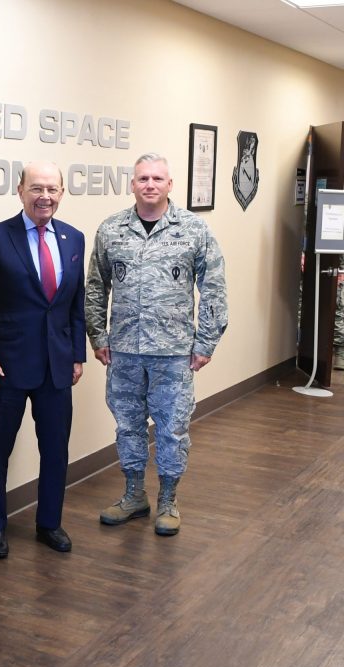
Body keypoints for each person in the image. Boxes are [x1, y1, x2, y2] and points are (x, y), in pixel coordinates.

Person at [86, 152, 228, 536]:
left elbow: (213, 288)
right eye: (142, 178)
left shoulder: (194, 230)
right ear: (132, 184)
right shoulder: (111, 229)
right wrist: (97, 335)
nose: (150, 185)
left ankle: (168, 499)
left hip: (173, 352)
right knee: (128, 426)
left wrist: (206, 342)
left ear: (170, 185)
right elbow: (96, 287)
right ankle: (134, 495)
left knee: (172, 428)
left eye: (157, 179)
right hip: (125, 351)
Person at [0, 161, 86, 558]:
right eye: (36, 188)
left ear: (61, 193)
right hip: (5, 365)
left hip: (57, 365)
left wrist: (77, 355)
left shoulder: (74, 239)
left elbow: (75, 305)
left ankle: (49, 522)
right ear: (20, 190)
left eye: (52, 189)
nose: (45, 196)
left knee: (56, 449)